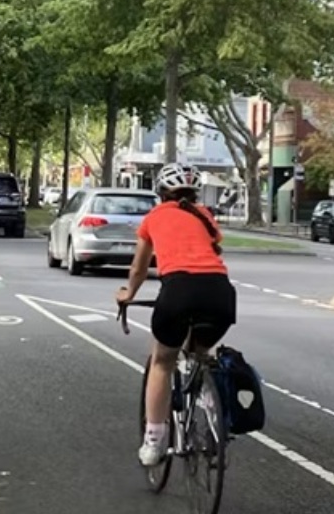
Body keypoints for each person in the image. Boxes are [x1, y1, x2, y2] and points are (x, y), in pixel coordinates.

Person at [115, 162, 237, 467]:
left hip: (179, 291)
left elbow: (139, 268)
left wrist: (127, 295)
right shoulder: (205, 216)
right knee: (200, 356)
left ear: (160, 191)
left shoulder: (153, 218)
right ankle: (214, 424)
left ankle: (154, 442)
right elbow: (211, 250)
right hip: (220, 293)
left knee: (162, 361)